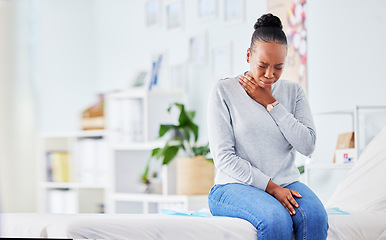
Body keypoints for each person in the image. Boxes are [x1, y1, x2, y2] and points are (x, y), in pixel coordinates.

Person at [207, 13, 328, 239]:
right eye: (262, 65)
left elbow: (308, 145)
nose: (270, 75)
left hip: (286, 181)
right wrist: (272, 188)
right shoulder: (224, 91)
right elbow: (224, 157)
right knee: (275, 220)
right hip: (233, 186)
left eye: (278, 67)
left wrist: (270, 103)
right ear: (248, 55)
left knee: (316, 217)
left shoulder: (293, 92)